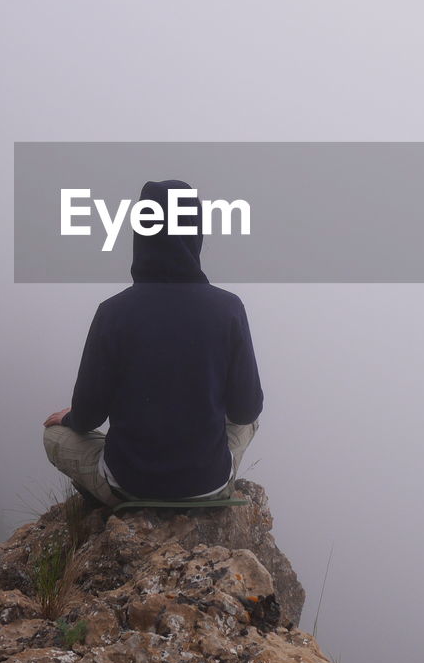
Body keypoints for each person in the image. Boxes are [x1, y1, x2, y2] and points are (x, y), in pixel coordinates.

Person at [42, 178, 263, 508]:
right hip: (207, 485)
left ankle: (109, 505)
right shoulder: (229, 308)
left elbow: (88, 418)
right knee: (250, 421)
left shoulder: (113, 312)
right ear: (195, 234)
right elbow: (246, 409)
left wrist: (71, 418)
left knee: (53, 435)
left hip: (129, 484)